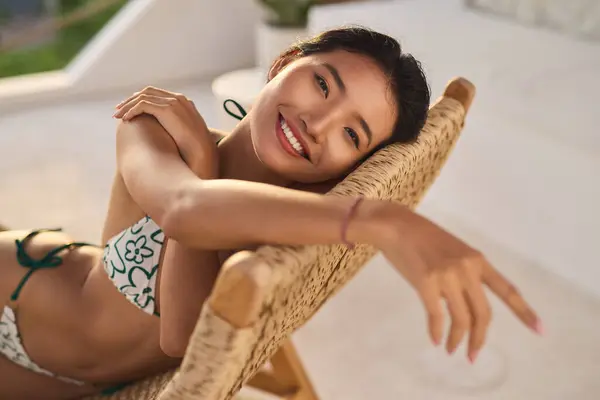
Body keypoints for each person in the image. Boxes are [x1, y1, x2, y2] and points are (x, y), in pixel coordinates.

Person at [0, 26, 541, 399]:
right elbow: (186, 209)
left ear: (354, 165)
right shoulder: (154, 127)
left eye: (352, 133)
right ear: (283, 64)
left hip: (70, 378)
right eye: (323, 83)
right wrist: (387, 219)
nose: (318, 123)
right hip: (17, 291)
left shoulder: (287, 225)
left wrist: (208, 166)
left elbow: (184, 340)